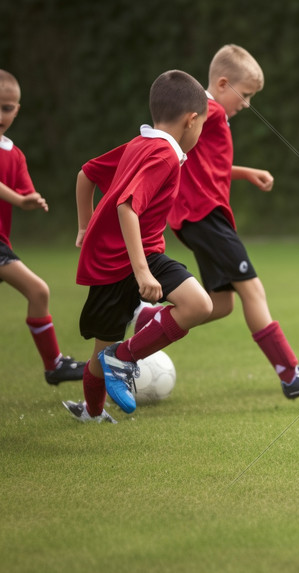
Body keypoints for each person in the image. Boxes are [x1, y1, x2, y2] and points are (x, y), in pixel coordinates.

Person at [162, 44, 299, 399]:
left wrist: (245, 173)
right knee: (253, 289)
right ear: (223, 83)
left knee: (219, 304)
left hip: (199, 218)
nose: (247, 104)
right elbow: (170, 144)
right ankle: (290, 374)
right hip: (204, 215)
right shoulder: (206, 111)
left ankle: (151, 320)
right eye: (245, 95)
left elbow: (205, 166)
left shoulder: (214, 116)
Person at [63, 69, 212, 423]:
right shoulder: (161, 155)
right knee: (99, 358)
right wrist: (141, 270)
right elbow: (127, 206)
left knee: (198, 305)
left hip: (143, 253)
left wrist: (85, 226)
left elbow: (86, 174)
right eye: (203, 125)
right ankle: (94, 410)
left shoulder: (141, 143)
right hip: (117, 266)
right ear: (191, 120)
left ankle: (123, 357)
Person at [0, 69, 85, 386]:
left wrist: (32, 199)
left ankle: (54, 366)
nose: (1, 115)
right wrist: (20, 202)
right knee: (38, 289)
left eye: (7, 108)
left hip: (1, 245)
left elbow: (25, 191)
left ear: (17, 109)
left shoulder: (15, 154)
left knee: (38, 291)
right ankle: (55, 365)